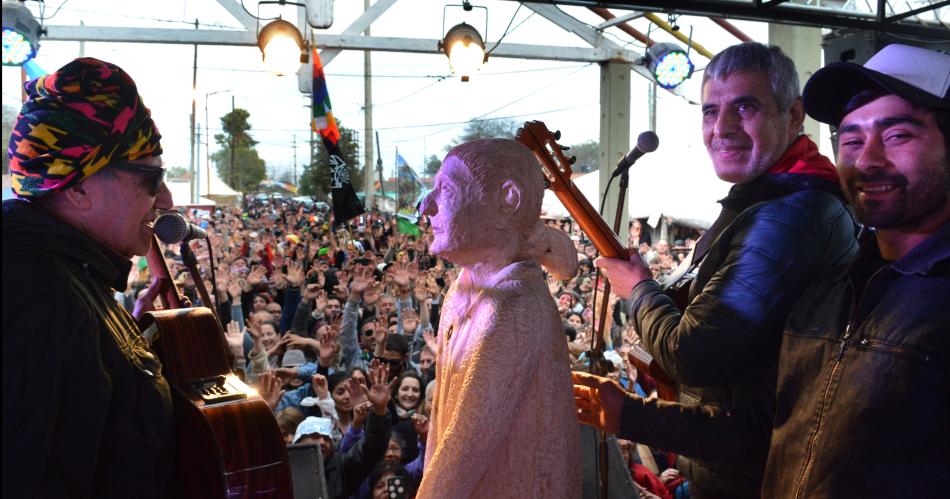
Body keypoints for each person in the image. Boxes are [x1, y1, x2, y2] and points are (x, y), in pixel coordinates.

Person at [575, 42, 857, 499]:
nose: (721, 128)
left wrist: (639, 290)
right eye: (710, 111)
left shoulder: (789, 217)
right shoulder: (769, 201)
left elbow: (693, 355)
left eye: (745, 107)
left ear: (792, 114)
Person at [760, 44, 950, 497]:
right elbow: (777, 437)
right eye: (851, 140)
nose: (867, 160)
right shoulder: (825, 294)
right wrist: (628, 413)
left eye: (897, 136)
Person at [2, 58, 174, 497]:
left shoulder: (62, 278)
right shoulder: (48, 302)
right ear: (79, 186)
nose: (166, 200)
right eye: (152, 179)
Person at [417, 139, 581, 498]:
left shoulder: (512, 307)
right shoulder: (463, 288)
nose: (427, 205)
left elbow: (462, 454)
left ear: (507, 199)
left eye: (447, 190)